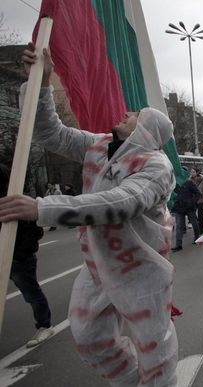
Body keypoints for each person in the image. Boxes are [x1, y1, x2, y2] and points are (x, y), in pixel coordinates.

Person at [0, 45, 179, 386]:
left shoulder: (156, 166)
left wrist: (42, 208)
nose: (127, 113)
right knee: (88, 336)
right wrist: (41, 83)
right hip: (98, 264)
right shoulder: (96, 144)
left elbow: (122, 202)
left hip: (140, 269)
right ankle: (129, 381)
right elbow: (50, 133)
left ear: (146, 131)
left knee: (153, 346)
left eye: (135, 114)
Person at [0, 164, 54, 348]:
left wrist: (20, 253)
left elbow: (35, 230)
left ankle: (44, 325)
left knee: (31, 293)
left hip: (18, 258)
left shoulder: (18, 200)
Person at [171, 170, 201, 252]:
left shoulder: (189, 183)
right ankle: (178, 245)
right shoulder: (174, 184)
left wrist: (192, 202)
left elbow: (198, 193)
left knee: (194, 222)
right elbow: (171, 195)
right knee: (179, 226)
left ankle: (197, 237)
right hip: (179, 208)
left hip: (189, 207)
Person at [190, 167, 203, 232]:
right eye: (191, 172)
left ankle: (201, 230)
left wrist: (202, 190)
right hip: (193, 200)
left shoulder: (202, 180)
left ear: (197, 173)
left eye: (193, 172)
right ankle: (196, 228)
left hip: (201, 200)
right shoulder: (189, 180)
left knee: (200, 216)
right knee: (192, 216)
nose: (192, 173)